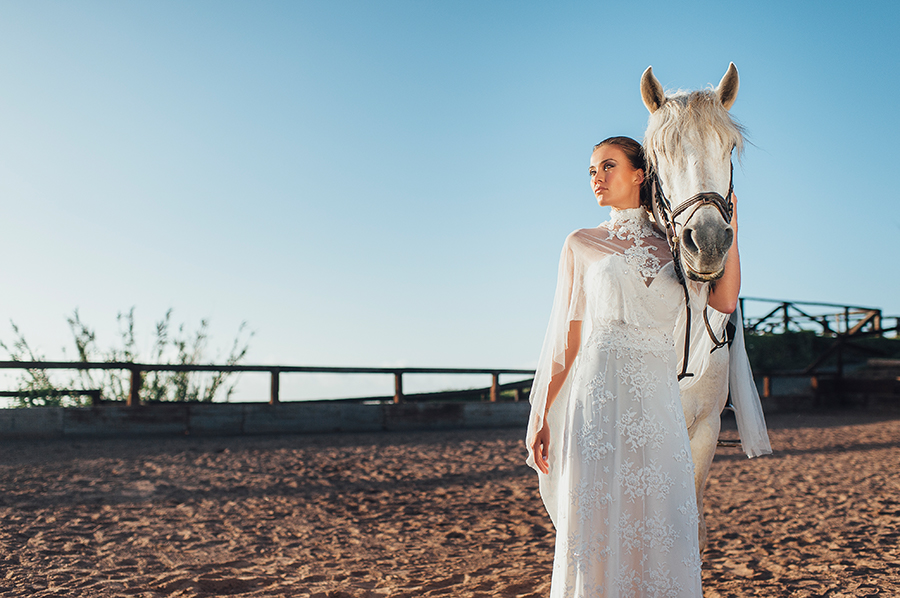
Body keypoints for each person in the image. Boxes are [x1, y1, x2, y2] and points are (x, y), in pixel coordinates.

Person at [525, 136, 741, 597]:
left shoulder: (677, 246)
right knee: (598, 519)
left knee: (661, 518)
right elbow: (568, 339)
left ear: (640, 174)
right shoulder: (581, 243)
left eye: (608, 166)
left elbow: (724, 301)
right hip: (597, 399)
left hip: (658, 404)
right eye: (591, 171)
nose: (597, 179)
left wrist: (731, 227)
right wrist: (542, 413)